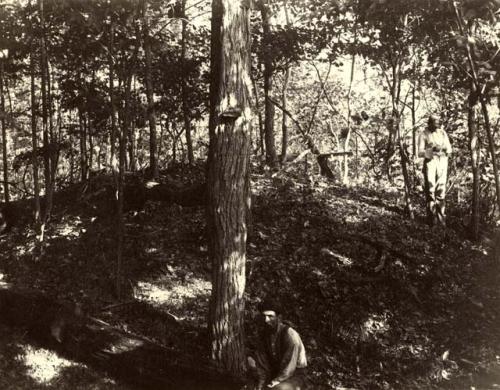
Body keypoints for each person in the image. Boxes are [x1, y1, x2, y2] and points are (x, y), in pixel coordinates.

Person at [247, 299, 308, 390]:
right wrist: (261, 385)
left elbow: (289, 367)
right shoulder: (264, 335)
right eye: (264, 316)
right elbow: (263, 364)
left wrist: (274, 382)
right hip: (276, 372)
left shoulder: (290, 336)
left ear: (279, 318)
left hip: (294, 374)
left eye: (270, 316)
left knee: (278, 389)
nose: (266, 320)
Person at [418, 115, 452, 226]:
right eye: (435, 124)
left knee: (441, 189)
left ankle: (441, 220)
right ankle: (431, 220)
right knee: (430, 189)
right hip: (430, 161)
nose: (437, 126)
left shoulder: (442, 133)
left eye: (438, 124)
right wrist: (431, 149)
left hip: (442, 161)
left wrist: (444, 150)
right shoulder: (423, 134)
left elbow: (449, 148)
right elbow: (420, 152)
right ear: (430, 123)